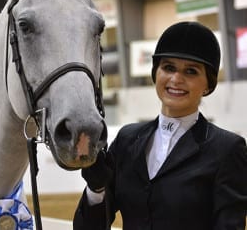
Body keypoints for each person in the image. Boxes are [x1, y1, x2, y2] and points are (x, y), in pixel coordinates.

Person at [73, 21, 247, 230]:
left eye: (191, 71)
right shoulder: (127, 140)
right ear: (156, 73)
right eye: (168, 67)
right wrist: (96, 189)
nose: (176, 79)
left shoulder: (227, 149)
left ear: (208, 84)